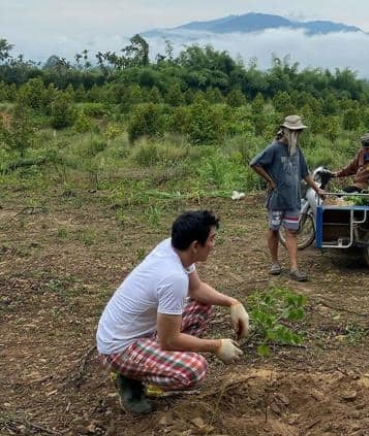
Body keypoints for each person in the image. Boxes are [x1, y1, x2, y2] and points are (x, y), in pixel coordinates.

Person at [96, 210, 249, 414]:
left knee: (202, 306)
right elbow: (169, 340)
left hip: (140, 332)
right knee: (194, 370)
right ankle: (130, 378)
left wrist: (232, 303)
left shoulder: (174, 248)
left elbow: (196, 289)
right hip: (118, 347)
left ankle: (151, 364)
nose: (214, 245)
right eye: (212, 239)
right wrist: (216, 346)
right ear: (196, 245)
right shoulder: (173, 277)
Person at [250, 115, 325, 282]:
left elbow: (305, 173)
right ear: (285, 131)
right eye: (293, 131)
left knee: (291, 232)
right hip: (277, 199)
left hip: (293, 199)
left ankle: (294, 268)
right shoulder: (274, 148)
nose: (296, 134)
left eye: (298, 131)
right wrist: (270, 180)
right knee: (274, 229)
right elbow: (254, 163)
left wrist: (317, 189)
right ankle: (275, 263)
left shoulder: (297, 150)